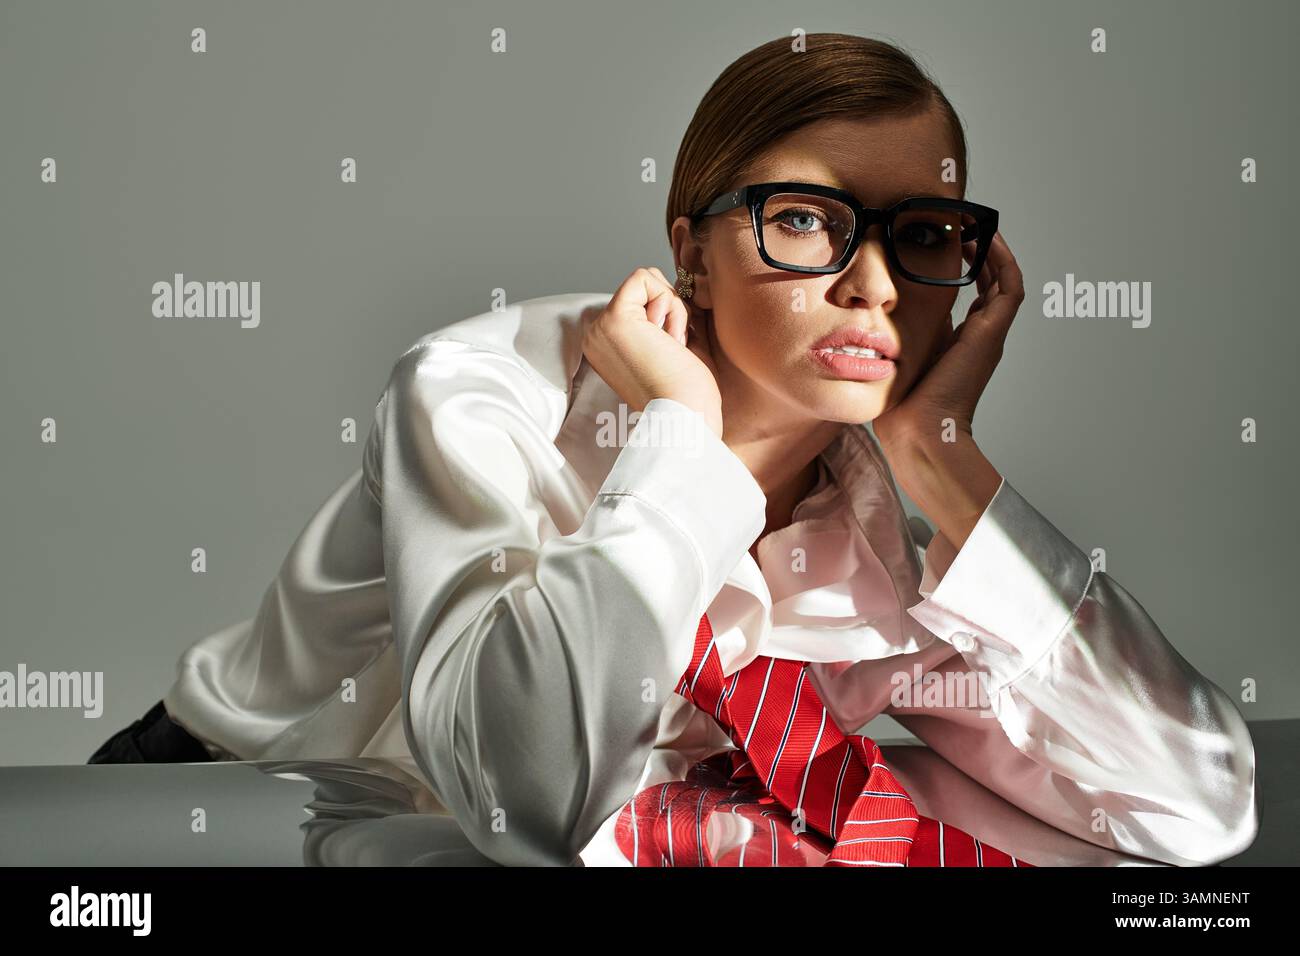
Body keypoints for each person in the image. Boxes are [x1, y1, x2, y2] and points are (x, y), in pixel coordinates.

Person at [90, 33, 1258, 867]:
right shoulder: (481, 393)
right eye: (804, 219)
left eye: (925, 235)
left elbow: (1193, 809)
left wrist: (949, 463)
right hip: (227, 802)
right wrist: (681, 438)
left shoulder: (903, 523)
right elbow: (522, 796)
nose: (874, 286)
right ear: (689, 247)